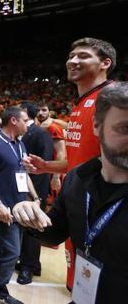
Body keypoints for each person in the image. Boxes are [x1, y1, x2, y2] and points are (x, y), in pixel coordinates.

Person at [13, 81, 128, 304]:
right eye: (125, 128)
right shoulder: (78, 178)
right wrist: (28, 215)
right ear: (97, 125)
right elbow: (55, 232)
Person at [24, 37, 116, 290]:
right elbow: (81, 159)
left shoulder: (112, 99)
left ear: (105, 63)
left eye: (84, 56)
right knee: (78, 288)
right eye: (71, 55)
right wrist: (47, 167)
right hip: (77, 205)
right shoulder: (81, 104)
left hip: (103, 214)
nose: (73, 60)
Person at [0, 106, 41, 304]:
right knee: (11, 252)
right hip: (2, 209)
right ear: (13, 120)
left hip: (20, 208)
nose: (28, 124)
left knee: (8, 251)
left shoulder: (20, 144)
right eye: (25, 120)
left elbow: (23, 174)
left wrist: (35, 198)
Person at [16, 102, 53, 284]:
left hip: (35, 188)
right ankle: (30, 263)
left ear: (26, 113)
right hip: (22, 186)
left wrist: (34, 194)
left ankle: (28, 268)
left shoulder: (41, 134)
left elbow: (43, 164)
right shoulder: (16, 133)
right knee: (23, 225)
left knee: (32, 228)